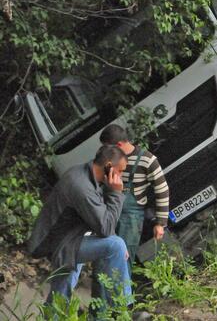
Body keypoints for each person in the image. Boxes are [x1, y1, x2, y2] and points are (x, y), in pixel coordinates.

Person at [27, 145, 131, 307]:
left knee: (63, 285)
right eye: (121, 171)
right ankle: (125, 306)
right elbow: (106, 228)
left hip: (67, 237)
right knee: (116, 246)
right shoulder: (82, 187)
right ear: (109, 166)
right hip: (57, 243)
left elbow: (100, 219)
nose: (121, 177)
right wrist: (115, 193)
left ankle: (53, 316)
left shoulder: (85, 175)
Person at [99, 124, 169, 264]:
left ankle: (122, 286)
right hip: (109, 212)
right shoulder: (110, 158)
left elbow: (162, 190)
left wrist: (160, 223)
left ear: (119, 144)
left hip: (130, 219)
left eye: (108, 147)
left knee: (123, 260)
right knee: (103, 257)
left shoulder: (148, 160)